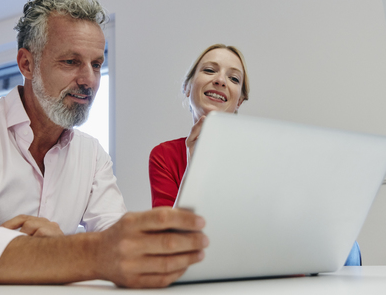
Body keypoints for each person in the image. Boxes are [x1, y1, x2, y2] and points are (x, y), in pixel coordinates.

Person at [0, 0, 208, 289]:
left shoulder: (91, 154)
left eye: (96, 64)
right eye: (71, 61)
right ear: (27, 64)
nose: (90, 80)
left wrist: (66, 248)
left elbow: (118, 242)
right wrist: (83, 252)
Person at [148, 44, 362, 266]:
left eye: (233, 79)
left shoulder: (264, 155)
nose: (220, 80)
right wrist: (194, 165)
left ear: (239, 100)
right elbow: (169, 243)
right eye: (210, 70)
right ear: (187, 86)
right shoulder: (163, 156)